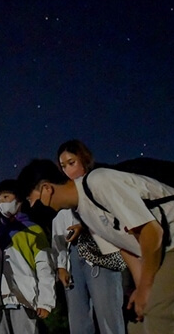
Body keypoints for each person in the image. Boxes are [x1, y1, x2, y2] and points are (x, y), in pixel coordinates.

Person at [16, 151, 174, 334]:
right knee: (138, 327)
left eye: (32, 200)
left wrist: (146, 288)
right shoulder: (84, 213)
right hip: (162, 249)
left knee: (161, 321)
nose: (34, 206)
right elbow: (126, 248)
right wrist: (141, 289)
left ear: (46, 188)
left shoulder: (99, 182)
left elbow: (151, 232)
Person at [54, 140, 127, 334]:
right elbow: (59, 232)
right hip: (74, 257)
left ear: (83, 159)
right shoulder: (65, 192)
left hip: (100, 253)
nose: (68, 169)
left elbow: (116, 218)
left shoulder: (99, 183)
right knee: (78, 319)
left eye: (72, 162)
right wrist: (61, 266)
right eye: (63, 166)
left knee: (108, 315)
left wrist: (86, 226)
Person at [0, 179, 56, 334]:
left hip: (23, 301)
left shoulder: (33, 230)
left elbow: (44, 266)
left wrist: (46, 301)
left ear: (18, 200)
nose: (1, 202)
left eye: (6, 197)